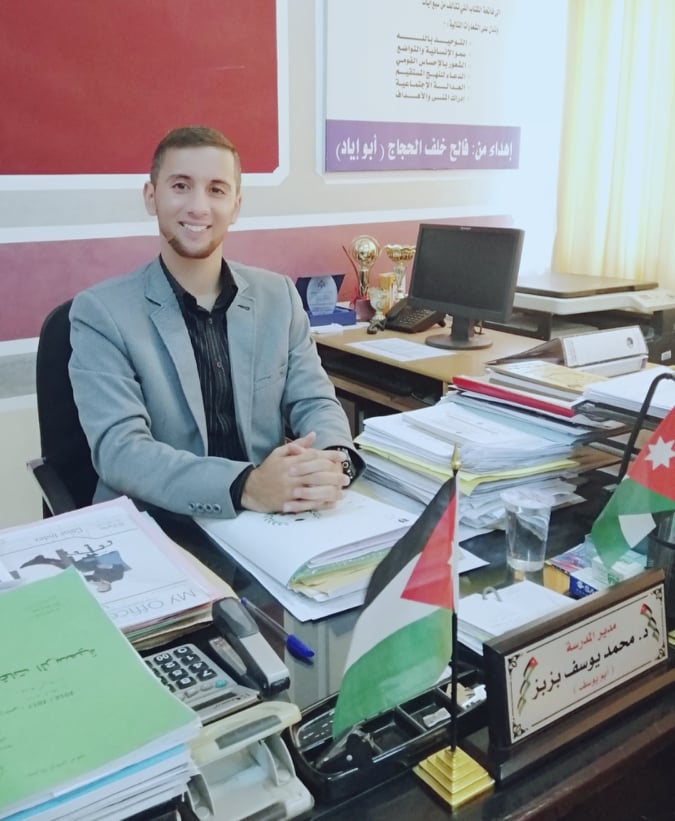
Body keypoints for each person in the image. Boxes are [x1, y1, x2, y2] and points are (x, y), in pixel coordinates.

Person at [69, 125, 362, 520]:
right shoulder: (101, 313)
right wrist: (247, 486)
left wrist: (334, 460)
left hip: (268, 519)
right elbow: (121, 451)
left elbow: (314, 400)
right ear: (151, 197)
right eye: (180, 186)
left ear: (235, 206)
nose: (198, 207)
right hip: (158, 520)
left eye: (217, 190)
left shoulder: (278, 296)